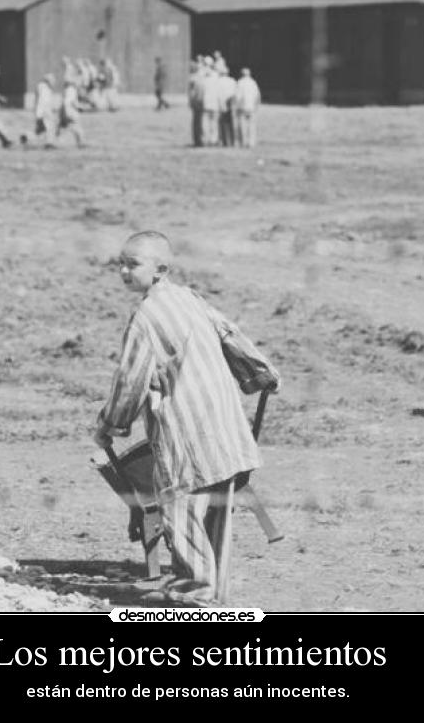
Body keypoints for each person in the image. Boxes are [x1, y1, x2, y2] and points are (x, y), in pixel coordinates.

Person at [93, 231, 280, 607]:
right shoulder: (190, 299)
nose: (124, 271)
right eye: (121, 264)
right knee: (214, 520)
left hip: (187, 438)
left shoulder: (146, 317)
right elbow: (231, 334)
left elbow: (131, 380)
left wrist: (109, 426)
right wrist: (262, 374)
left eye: (133, 264)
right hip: (226, 432)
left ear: (161, 269)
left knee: (182, 515)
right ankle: (214, 600)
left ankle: (196, 602)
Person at [234, 68, 262, 148]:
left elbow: (237, 96)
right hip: (252, 107)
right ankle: (251, 142)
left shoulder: (240, 83)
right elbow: (257, 95)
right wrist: (256, 106)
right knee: (252, 126)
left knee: (242, 126)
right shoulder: (253, 83)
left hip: (242, 107)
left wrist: (236, 106)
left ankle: (243, 142)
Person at [56, 75, 86, 148]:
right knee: (77, 129)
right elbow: (69, 102)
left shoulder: (68, 90)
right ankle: (81, 143)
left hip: (65, 112)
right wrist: (78, 107)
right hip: (69, 113)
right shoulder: (71, 90)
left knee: (62, 128)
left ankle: (56, 142)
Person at [200, 57, 220, 146]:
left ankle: (207, 140)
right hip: (213, 103)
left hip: (207, 103)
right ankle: (212, 140)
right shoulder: (216, 75)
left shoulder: (202, 76)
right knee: (213, 123)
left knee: (206, 123)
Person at [217, 69, 237, 147]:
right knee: (230, 123)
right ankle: (231, 141)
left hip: (221, 103)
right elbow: (235, 92)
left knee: (222, 124)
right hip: (230, 103)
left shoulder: (218, 81)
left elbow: (217, 93)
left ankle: (224, 141)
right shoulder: (232, 81)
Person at [187, 60, 205, 147]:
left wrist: (190, 101)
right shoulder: (200, 77)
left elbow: (192, 92)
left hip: (196, 101)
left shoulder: (192, 79)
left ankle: (197, 141)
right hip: (201, 101)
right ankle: (199, 140)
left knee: (196, 123)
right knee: (199, 122)